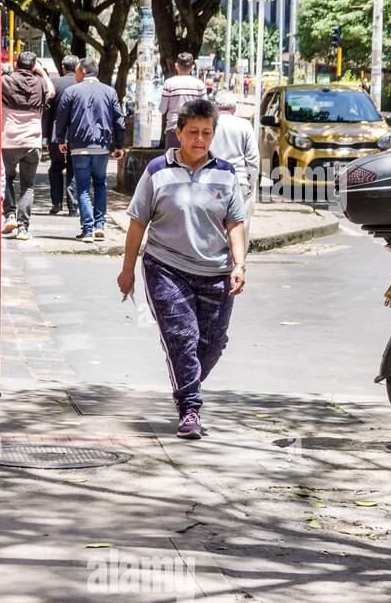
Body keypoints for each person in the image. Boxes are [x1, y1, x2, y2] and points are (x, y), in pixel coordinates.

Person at [117, 98, 247, 440]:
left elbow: (235, 223)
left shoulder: (226, 173)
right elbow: (137, 224)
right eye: (192, 133)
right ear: (178, 133)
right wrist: (127, 270)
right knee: (182, 338)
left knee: (213, 343)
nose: (199, 140)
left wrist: (240, 264)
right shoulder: (157, 171)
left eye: (206, 133)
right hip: (166, 267)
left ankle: (183, 376)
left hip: (216, 271)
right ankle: (190, 408)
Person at [53, 56, 125, 243]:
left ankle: (87, 229)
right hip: (102, 147)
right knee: (100, 184)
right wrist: (119, 145)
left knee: (83, 188)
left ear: (83, 72)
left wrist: (61, 139)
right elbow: (119, 119)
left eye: (77, 70)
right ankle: (100, 226)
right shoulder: (109, 91)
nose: (75, 74)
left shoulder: (71, 91)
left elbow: (61, 118)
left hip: (79, 146)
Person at [0, 50, 52, 241]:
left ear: (16, 64)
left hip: (8, 141)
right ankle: (23, 228)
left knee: (6, 178)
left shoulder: (5, 81)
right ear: (33, 66)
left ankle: (10, 216)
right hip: (32, 143)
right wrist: (42, 72)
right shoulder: (39, 83)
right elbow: (52, 91)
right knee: (28, 186)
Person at [209, 91, 259, 221]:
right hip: (239, 181)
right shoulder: (245, 125)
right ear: (234, 108)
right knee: (239, 225)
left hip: (213, 181)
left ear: (215, 106)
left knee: (214, 224)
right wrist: (251, 183)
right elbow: (253, 159)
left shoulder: (209, 125)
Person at [43, 55, 80, 217]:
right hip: (77, 134)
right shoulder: (81, 84)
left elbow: (47, 112)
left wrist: (44, 135)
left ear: (63, 68)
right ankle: (73, 206)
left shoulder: (55, 84)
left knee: (56, 167)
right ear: (77, 67)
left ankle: (56, 204)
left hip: (56, 134)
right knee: (74, 168)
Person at [158, 52, 207, 149]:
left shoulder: (169, 84)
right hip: (194, 130)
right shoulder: (199, 85)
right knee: (191, 163)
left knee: (172, 162)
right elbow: (206, 109)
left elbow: (162, 109)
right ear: (192, 66)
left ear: (176, 66)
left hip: (173, 128)